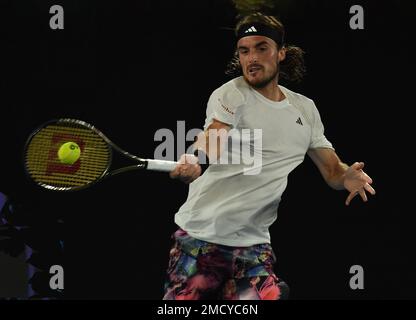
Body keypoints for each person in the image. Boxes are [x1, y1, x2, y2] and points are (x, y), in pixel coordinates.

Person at [163, 12, 376, 300]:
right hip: (199, 239)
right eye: (244, 50)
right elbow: (214, 133)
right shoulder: (230, 94)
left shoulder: (305, 110)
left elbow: (332, 170)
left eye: (262, 48)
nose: (252, 58)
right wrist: (198, 160)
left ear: (281, 54)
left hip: (253, 245)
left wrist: (346, 175)